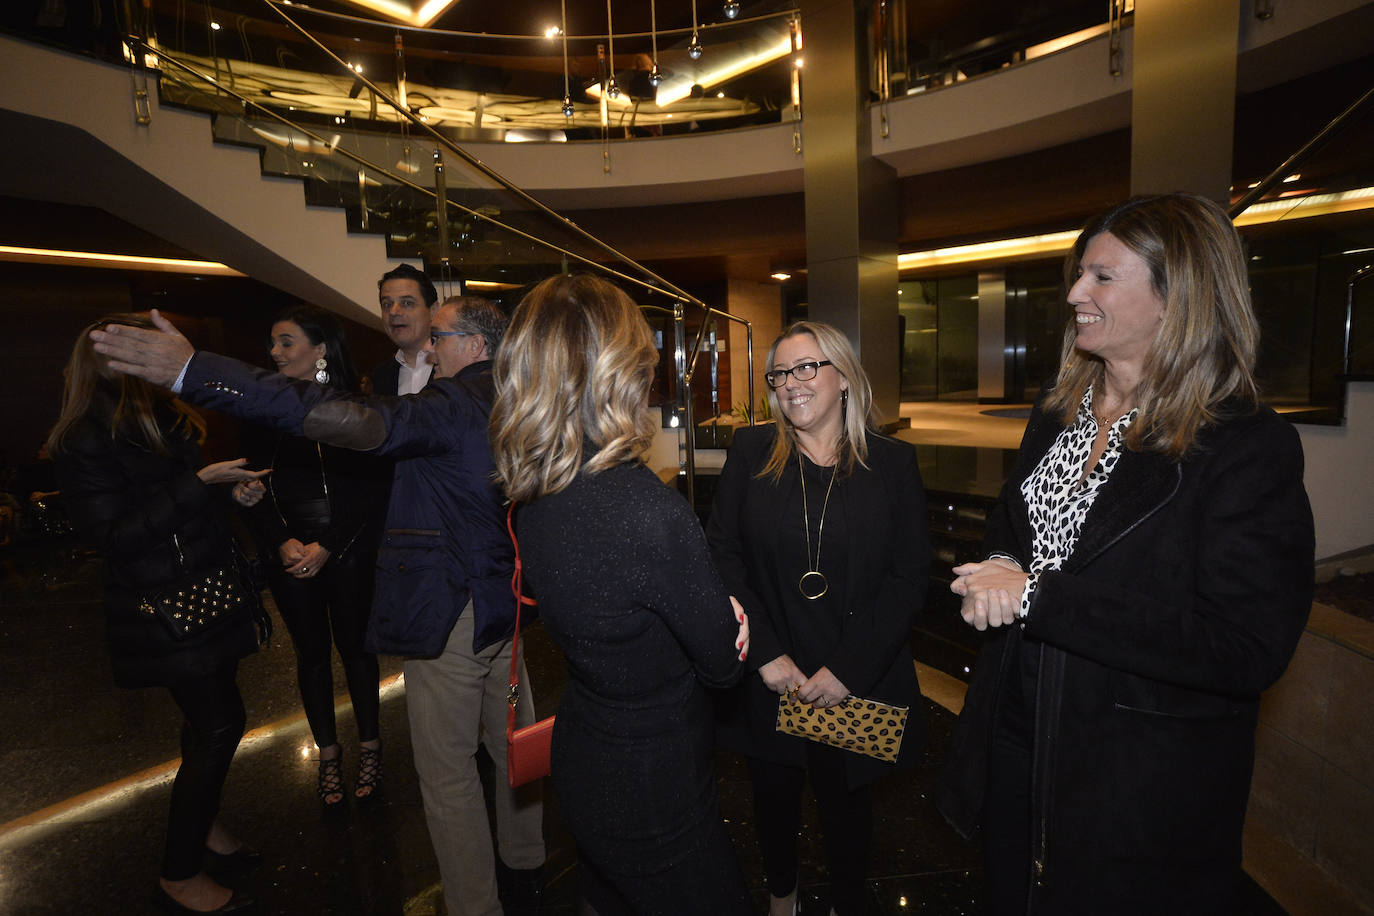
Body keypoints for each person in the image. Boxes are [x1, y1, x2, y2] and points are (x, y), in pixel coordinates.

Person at [89, 297, 546, 916]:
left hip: (451, 612)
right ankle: (528, 867)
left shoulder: (453, 405)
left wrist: (194, 371)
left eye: (438, 337)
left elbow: (338, 415)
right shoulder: (523, 398)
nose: (429, 349)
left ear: (475, 344)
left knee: (448, 776)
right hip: (508, 606)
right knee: (515, 741)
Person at [934, 193, 1315, 914]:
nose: (1076, 293)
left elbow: (1245, 647)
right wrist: (1006, 568)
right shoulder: (1056, 413)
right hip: (1017, 729)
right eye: (1080, 275)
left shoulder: (1243, 447)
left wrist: (1041, 597)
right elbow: (1014, 535)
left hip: (1135, 781)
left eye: (1102, 277)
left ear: (1180, 298)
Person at [489, 273, 753, 915]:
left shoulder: (535, 497)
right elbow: (720, 667)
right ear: (622, 371)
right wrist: (727, 619)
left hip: (585, 755)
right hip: (655, 782)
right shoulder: (649, 512)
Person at [706, 320, 930, 916]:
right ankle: (783, 901)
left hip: (850, 675)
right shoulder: (752, 452)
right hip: (774, 672)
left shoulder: (893, 464)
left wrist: (847, 669)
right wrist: (765, 654)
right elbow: (722, 556)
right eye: (780, 373)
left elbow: (910, 578)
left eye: (807, 367)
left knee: (846, 808)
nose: (790, 384)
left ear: (845, 378)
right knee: (773, 800)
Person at [47, 314, 269, 914]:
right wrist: (200, 485)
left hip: (201, 591)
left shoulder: (157, 411)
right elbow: (116, 536)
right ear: (109, 358)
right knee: (220, 725)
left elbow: (176, 498)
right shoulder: (83, 436)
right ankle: (178, 871)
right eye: (139, 347)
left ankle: (203, 826)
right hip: (160, 607)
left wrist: (227, 490)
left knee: (208, 724)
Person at [237, 306, 386, 806]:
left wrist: (330, 544)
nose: (274, 353)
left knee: (357, 651)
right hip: (289, 553)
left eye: (286, 342)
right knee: (312, 658)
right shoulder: (260, 413)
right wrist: (280, 541)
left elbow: (369, 490)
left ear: (320, 350)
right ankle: (327, 754)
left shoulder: (351, 407)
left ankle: (370, 747)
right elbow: (249, 487)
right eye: (273, 344)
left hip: (345, 549)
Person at [370, 263, 438, 396]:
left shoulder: (453, 365)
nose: (393, 312)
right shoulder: (381, 376)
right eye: (387, 304)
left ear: (433, 311)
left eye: (407, 303)